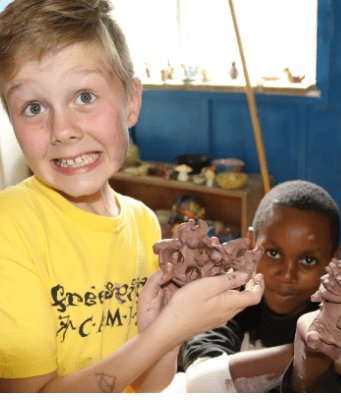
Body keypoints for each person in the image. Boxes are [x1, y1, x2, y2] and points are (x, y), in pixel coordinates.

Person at [0, 0, 264, 393]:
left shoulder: (143, 222)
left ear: (132, 102)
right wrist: (166, 331)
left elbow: (152, 383)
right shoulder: (11, 226)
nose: (62, 130)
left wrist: (169, 325)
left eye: (85, 97)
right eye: (34, 107)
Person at [175, 180, 341, 393]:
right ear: (251, 243)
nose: (287, 275)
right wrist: (315, 352)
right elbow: (201, 383)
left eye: (308, 261)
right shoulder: (223, 295)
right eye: (273, 253)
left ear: (332, 260)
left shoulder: (337, 319)